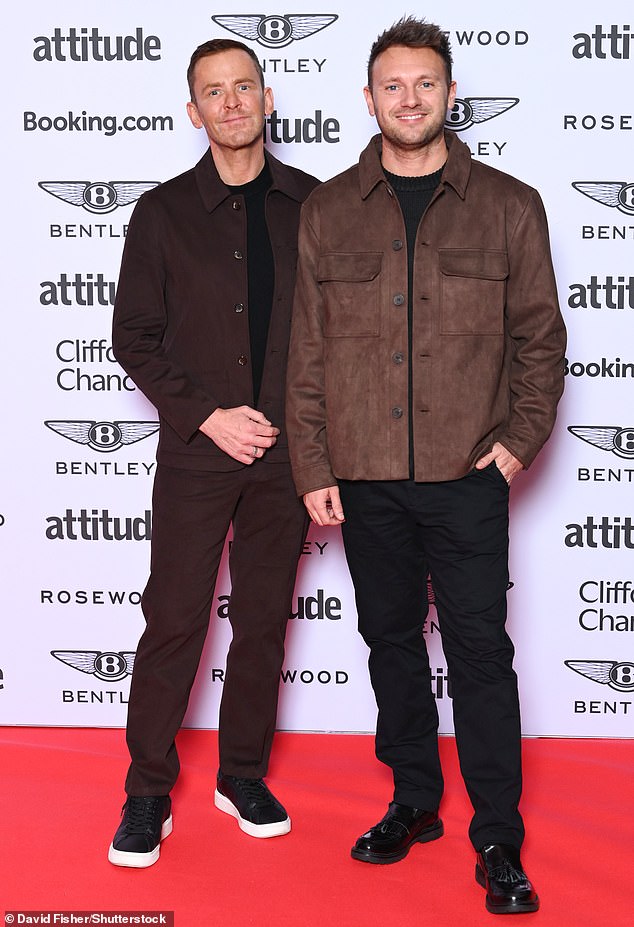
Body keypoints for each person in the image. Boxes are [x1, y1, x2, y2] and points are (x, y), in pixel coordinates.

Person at [286, 16, 565, 916]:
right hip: (365, 477)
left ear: (451, 94)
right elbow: (308, 352)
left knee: (482, 652)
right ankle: (413, 801)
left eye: (425, 84)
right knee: (392, 646)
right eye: (392, 86)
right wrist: (314, 461)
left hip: (468, 476)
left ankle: (498, 835)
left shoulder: (511, 203)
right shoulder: (327, 210)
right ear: (369, 100)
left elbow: (540, 342)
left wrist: (517, 443)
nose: (410, 99)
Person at [108, 38, 319, 868]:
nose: (231, 104)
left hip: (285, 455)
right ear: (194, 112)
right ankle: (147, 789)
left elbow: (333, 338)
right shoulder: (159, 214)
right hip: (200, 453)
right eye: (212, 93)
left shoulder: (315, 205)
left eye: (243, 88)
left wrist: (305, 436)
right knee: (174, 619)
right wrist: (207, 417)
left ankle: (242, 775)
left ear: (267, 100)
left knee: (264, 620)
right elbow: (135, 338)